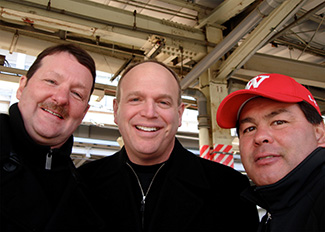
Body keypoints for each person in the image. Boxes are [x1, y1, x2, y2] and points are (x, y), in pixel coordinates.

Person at [78, 60, 259, 232]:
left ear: (179, 115)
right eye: (135, 99)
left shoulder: (230, 190)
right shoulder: (81, 185)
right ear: (116, 110)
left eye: (163, 102)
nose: (149, 113)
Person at [0, 43, 104, 231]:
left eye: (76, 93)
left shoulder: (87, 198)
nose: (61, 98)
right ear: (22, 86)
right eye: (51, 81)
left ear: (84, 113)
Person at [217, 73, 325, 232]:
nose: (260, 137)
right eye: (249, 129)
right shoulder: (276, 210)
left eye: (279, 122)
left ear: (319, 133)